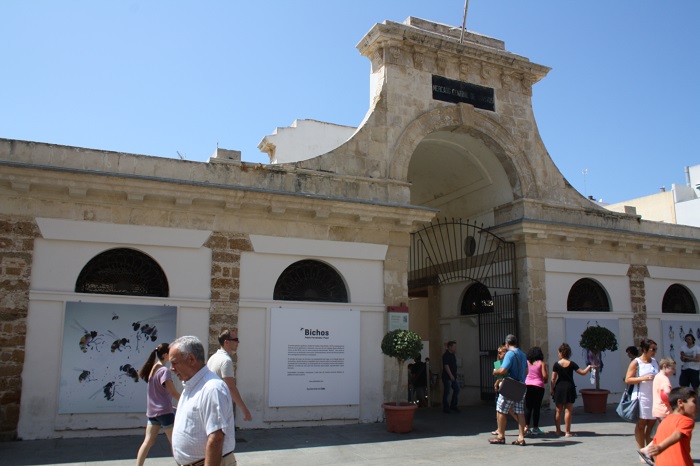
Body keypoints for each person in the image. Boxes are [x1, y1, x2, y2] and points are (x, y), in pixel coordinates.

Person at [170, 336, 237, 466]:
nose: (171, 368)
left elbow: (216, 437)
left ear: (191, 359)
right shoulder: (191, 386)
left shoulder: (212, 388)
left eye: (174, 363)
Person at [136, 342, 180, 466]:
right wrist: (186, 401)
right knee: (175, 443)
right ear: (166, 355)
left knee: (148, 441)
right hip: (164, 412)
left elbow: (157, 394)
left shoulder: (153, 369)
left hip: (152, 412)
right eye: (170, 353)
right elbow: (173, 393)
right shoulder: (164, 371)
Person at [640, 386, 697, 466]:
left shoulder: (664, 422)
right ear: (680, 403)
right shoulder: (686, 420)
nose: (697, 406)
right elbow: (677, 435)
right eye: (694, 402)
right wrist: (661, 447)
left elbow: (655, 446)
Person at [490, 334, 528, 446]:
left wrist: (495, 371)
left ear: (507, 343)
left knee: (501, 409)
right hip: (521, 385)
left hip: (510, 385)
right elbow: (526, 371)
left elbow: (502, 370)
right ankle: (521, 438)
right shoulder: (523, 354)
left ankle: (501, 436)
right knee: (520, 412)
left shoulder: (510, 354)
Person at [551, 342, 595, 437]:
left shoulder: (556, 364)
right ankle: (567, 432)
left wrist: (552, 389)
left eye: (559, 352)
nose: (558, 354)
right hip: (569, 387)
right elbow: (582, 373)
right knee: (568, 411)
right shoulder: (572, 364)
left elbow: (553, 379)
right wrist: (589, 367)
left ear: (562, 353)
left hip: (559, 388)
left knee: (558, 410)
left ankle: (558, 430)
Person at [207, 329, 252, 421]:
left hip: (211, 404)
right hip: (219, 406)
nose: (238, 342)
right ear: (226, 342)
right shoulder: (226, 361)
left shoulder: (213, 357)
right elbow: (230, 387)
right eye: (235, 340)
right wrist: (244, 409)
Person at [626, 338, 660, 452]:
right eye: (652, 349)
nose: (654, 351)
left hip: (654, 396)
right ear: (645, 350)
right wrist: (643, 378)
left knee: (652, 423)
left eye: (656, 349)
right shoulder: (636, 362)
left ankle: (649, 449)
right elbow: (628, 379)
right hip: (642, 396)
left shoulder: (655, 361)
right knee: (642, 423)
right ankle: (641, 449)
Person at [524, 346, 547, 436]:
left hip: (528, 385)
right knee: (536, 407)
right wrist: (543, 380)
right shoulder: (541, 363)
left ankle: (526, 426)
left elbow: (525, 373)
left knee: (528, 407)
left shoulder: (527, 363)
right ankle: (535, 428)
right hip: (538, 386)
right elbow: (545, 376)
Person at [442, 340, 460, 413]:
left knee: (457, 389)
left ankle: (453, 405)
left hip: (453, 376)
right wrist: (450, 375)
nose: (455, 348)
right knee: (447, 391)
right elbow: (446, 365)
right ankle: (446, 408)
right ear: (449, 347)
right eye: (454, 346)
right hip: (447, 377)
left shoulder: (453, 355)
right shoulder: (446, 355)